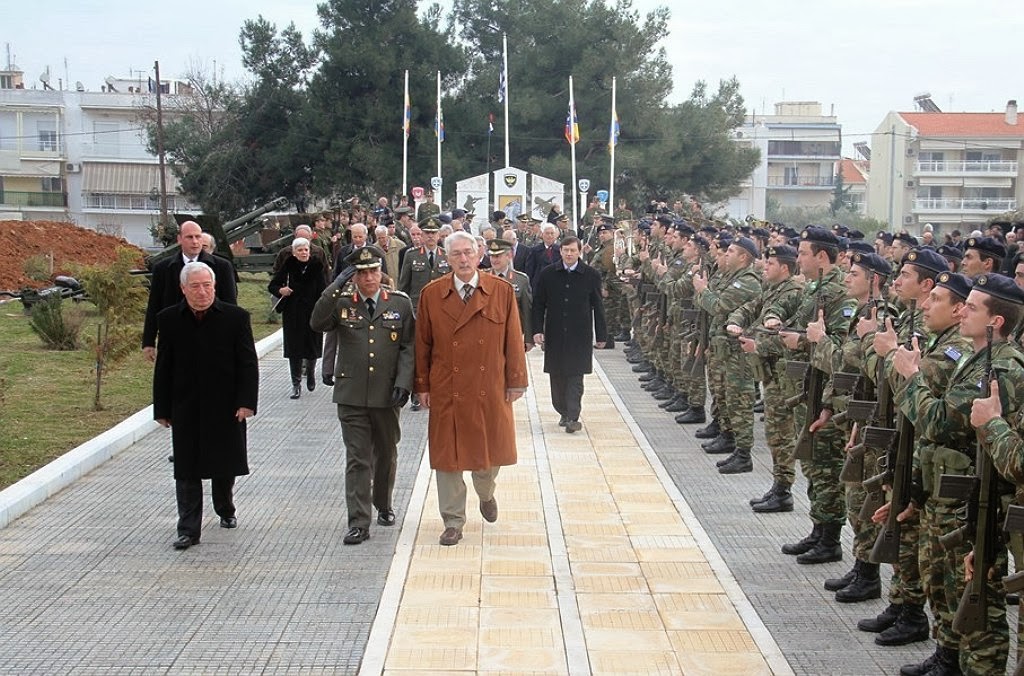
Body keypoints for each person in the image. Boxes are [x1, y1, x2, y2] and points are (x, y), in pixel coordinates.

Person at [414, 231, 528, 546]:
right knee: (447, 458)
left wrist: (516, 379)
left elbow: (513, 339)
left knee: (488, 457)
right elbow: (422, 344)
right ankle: (453, 521)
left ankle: (486, 493)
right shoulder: (432, 294)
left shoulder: (501, 291)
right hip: (447, 387)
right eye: (456, 255)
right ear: (446, 259)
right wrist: (421, 385)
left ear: (479, 256)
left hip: (488, 385)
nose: (463, 260)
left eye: (468, 253)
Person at [310, 246, 415, 545]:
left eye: (373, 271)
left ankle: (383, 503)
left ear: (381, 271)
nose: (368, 277)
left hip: (386, 393)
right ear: (353, 276)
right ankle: (358, 521)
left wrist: (404, 382)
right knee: (357, 458)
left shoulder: (400, 304)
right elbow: (317, 322)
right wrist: (335, 285)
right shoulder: (342, 303)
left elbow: (409, 345)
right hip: (352, 393)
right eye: (361, 272)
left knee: (386, 453)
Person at [154, 261, 258, 550]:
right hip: (186, 405)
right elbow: (164, 366)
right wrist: (162, 408)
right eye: (196, 287)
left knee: (224, 464)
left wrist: (246, 402)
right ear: (183, 289)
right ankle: (188, 529)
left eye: (207, 286)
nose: (202, 292)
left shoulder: (235, 318)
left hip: (226, 404)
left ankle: (225, 508)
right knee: (186, 469)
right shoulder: (170, 319)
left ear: (215, 286)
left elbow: (248, 363)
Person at [531, 236, 607, 433]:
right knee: (557, 377)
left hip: (579, 334)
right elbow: (538, 303)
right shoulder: (548, 274)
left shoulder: (591, 275)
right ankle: (563, 411)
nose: (569, 254)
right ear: (561, 251)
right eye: (565, 250)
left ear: (579, 251)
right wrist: (537, 330)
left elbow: (598, 306)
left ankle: (573, 416)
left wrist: (601, 335)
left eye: (573, 250)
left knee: (575, 376)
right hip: (555, 332)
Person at [142, 221, 237, 362]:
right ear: (179, 239)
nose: (195, 242)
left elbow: (230, 305)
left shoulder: (222, 267)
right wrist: (148, 341)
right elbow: (154, 305)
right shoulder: (163, 268)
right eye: (189, 237)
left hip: (212, 335)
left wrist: (232, 339)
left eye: (198, 237)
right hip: (174, 337)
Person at [268, 237, 327, 399]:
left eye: (306, 249)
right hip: (293, 313)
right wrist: (281, 290)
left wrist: (323, 309)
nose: (303, 252)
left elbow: (324, 290)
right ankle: (296, 384)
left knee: (312, 346)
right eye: (300, 250)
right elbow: (272, 285)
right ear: (294, 253)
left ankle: (310, 372)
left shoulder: (317, 266)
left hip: (312, 312)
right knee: (294, 349)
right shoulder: (288, 265)